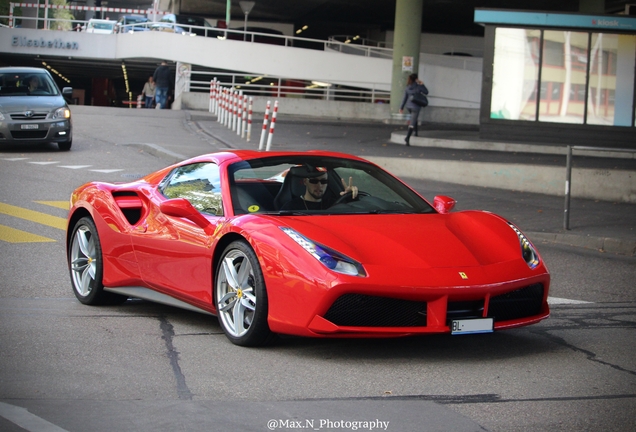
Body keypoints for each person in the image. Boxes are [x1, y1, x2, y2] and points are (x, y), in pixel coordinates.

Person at [281, 165, 358, 211]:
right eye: (314, 181)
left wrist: (351, 197)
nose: (319, 185)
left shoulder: (334, 204)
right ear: (305, 182)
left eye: (323, 181)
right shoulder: (291, 207)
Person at [399, 73, 429, 146]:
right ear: (416, 79)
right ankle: (407, 138)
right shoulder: (419, 86)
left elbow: (404, 98)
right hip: (416, 107)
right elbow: (426, 92)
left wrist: (401, 107)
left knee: (413, 118)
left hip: (408, 106)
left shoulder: (407, 87)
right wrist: (422, 84)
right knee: (412, 122)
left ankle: (416, 132)